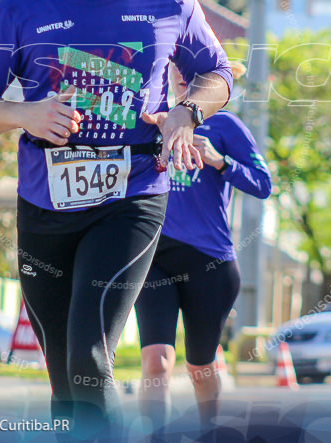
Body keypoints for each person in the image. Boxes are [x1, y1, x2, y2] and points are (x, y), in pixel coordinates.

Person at [0, 0, 232, 439]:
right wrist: (25, 114)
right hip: (44, 206)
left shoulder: (168, 2)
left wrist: (186, 112)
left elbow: (218, 73)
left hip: (131, 198)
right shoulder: (22, 8)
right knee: (64, 379)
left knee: (89, 356)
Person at [134, 62, 271, 434]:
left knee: (200, 368)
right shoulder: (150, 118)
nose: (183, 75)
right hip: (154, 256)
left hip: (209, 262)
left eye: (194, 70)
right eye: (175, 65)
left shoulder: (226, 125)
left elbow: (263, 184)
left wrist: (219, 161)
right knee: (157, 361)